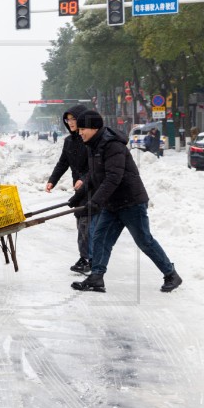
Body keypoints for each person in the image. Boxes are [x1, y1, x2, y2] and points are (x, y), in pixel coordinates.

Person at [68, 110, 182, 293]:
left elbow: (114, 177)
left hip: (131, 201)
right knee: (100, 237)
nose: (80, 132)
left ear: (95, 128)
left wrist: (95, 202)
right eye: (79, 129)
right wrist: (78, 195)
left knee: (144, 241)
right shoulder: (93, 145)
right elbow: (94, 175)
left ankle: (171, 274)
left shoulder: (112, 145)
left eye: (83, 129)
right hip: (112, 202)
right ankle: (96, 277)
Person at [45, 105, 92, 274]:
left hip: (93, 185)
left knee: (86, 221)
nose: (71, 122)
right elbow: (63, 163)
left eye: (74, 119)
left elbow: (96, 165)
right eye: (68, 119)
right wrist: (52, 181)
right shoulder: (69, 141)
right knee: (81, 220)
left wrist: (84, 178)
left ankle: (87, 258)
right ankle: (88, 257)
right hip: (79, 188)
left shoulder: (89, 139)